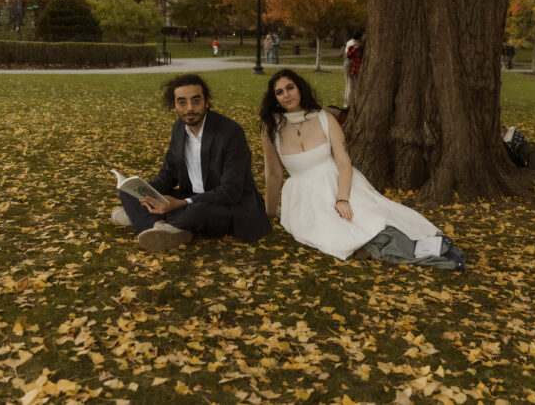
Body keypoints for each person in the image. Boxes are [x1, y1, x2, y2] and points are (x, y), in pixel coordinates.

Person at [260, 69, 464, 269]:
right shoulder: (271, 127)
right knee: (337, 232)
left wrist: (342, 199)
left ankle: (427, 246)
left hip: (339, 181)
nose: (286, 95)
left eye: (290, 88)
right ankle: (410, 249)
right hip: (304, 195)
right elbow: (274, 173)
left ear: (300, 88)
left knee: (372, 218)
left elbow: (343, 162)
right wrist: (269, 212)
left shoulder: (324, 117)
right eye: (279, 92)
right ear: (274, 98)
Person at [111, 74, 271, 252]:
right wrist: (145, 192)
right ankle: (160, 226)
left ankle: (143, 219)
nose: (189, 108)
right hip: (191, 198)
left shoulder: (230, 132)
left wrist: (182, 203)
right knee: (128, 192)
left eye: (196, 101)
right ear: (174, 106)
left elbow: (230, 192)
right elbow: (168, 174)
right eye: (182, 102)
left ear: (206, 102)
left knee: (197, 211)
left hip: (227, 205)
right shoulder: (179, 128)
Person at [342, 32, 363, 108]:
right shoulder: (356, 44)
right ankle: (348, 103)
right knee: (350, 85)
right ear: (359, 37)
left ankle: (346, 102)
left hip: (346, 64)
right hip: (351, 65)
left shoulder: (349, 42)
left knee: (348, 84)